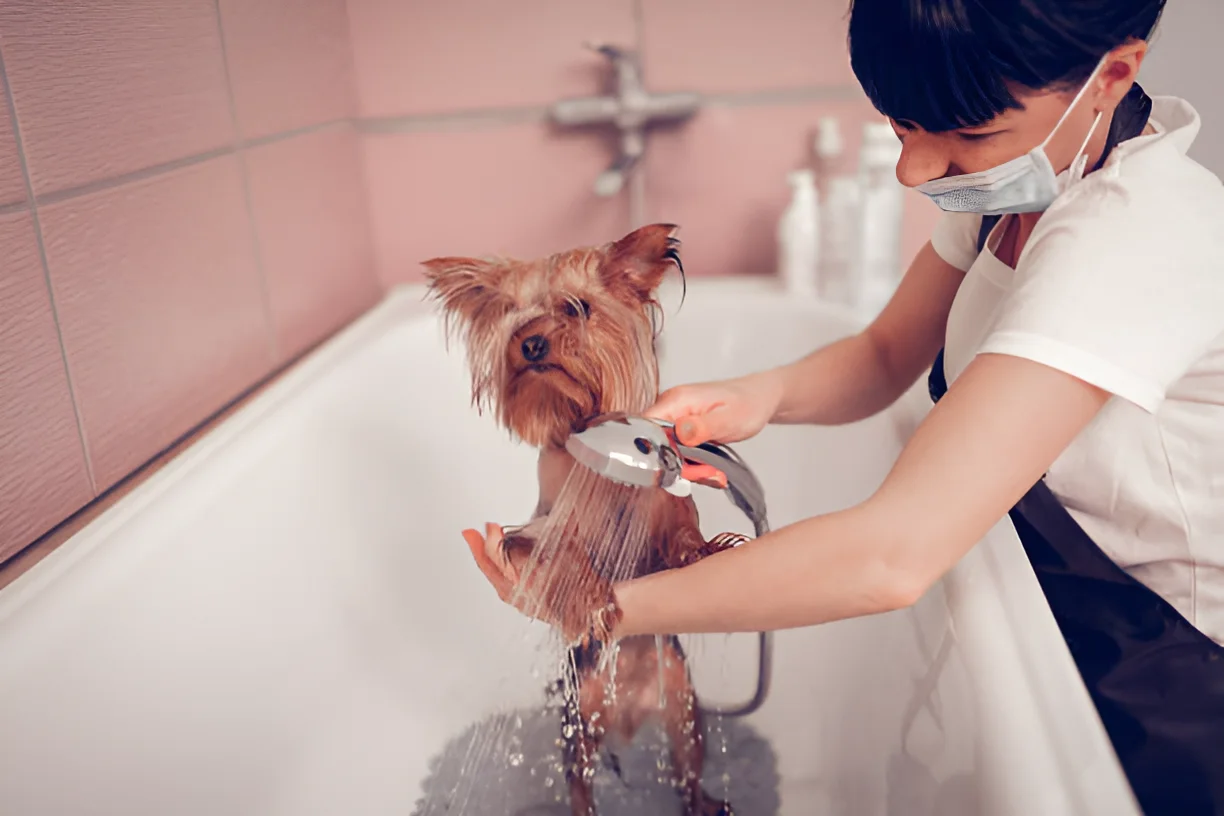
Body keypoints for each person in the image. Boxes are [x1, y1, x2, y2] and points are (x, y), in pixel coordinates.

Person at [461, 1, 1224, 812]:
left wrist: (607, 609)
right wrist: (755, 397)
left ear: (1112, 76)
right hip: (1056, 605)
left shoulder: (1135, 237)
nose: (917, 171)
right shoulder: (1027, 187)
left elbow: (890, 556)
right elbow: (885, 354)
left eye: (966, 136)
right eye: (903, 127)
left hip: (1166, 668)